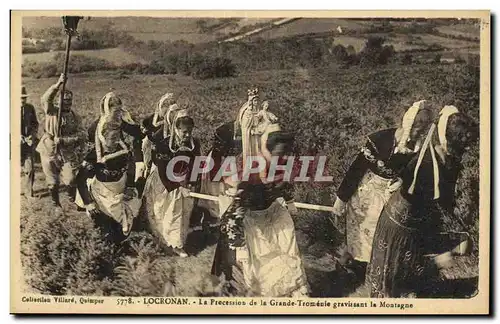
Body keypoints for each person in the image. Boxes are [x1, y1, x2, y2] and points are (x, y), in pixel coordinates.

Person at [367, 106, 478, 298]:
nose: (466, 150)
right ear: (448, 141)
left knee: (407, 281)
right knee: (393, 285)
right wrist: (441, 256)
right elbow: (431, 209)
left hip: (413, 221)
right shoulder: (426, 167)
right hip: (400, 228)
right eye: (463, 146)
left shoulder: (446, 158)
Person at [210, 120, 310, 297]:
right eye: (280, 154)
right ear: (268, 150)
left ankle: (295, 289)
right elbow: (235, 209)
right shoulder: (251, 171)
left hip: (275, 212)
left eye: (287, 153)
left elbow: (284, 185)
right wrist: (236, 239)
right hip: (253, 219)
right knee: (264, 263)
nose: (285, 157)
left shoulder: (282, 162)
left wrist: (290, 200)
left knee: (288, 250)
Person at [332, 100, 435, 265]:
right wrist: (341, 199)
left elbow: (414, 173)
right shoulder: (379, 139)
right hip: (368, 191)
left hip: (391, 193)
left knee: (386, 232)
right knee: (364, 230)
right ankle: (359, 265)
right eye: (417, 124)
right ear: (409, 122)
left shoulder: (417, 149)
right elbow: (356, 169)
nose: (419, 130)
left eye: (424, 126)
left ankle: (378, 268)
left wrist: (402, 180)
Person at [74, 92, 144, 241]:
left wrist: (130, 186)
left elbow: (131, 163)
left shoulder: (123, 141)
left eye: (120, 110)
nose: (117, 114)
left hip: (119, 179)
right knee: (104, 225)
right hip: (104, 185)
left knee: (125, 218)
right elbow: (81, 177)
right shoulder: (96, 136)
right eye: (115, 111)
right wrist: (89, 203)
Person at [141, 107, 201, 257]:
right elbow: (162, 169)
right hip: (165, 182)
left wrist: (192, 182)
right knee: (166, 211)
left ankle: (177, 243)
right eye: (184, 132)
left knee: (182, 212)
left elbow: (196, 164)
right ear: (176, 128)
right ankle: (166, 240)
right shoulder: (165, 145)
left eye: (189, 132)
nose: (187, 135)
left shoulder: (195, 144)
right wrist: (177, 187)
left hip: (183, 180)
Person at [35, 73, 86, 208]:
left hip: (66, 151)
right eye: (65, 100)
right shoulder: (51, 111)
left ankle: (71, 198)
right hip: (48, 148)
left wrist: (65, 140)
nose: (68, 103)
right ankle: (55, 203)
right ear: (58, 101)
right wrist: (58, 84)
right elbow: (46, 98)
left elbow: (82, 135)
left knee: (70, 179)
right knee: (52, 180)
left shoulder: (75, 117)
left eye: (70, 100)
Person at [140, 92, 178, 181]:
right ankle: (146, 168)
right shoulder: (151, 119)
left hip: (168, 147)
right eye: (164, 106)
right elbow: (146, 130)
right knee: (146, 142)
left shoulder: (173, 119)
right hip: (154, 148)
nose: (166, 110)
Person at [21, 85, 39, 199]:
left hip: (28, 143)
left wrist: (32, 136)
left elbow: (35, 124)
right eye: (20, 98)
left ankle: (29, 193)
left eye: (24, 98)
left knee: (30, 169)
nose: (22, 100)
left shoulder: (30, 108)